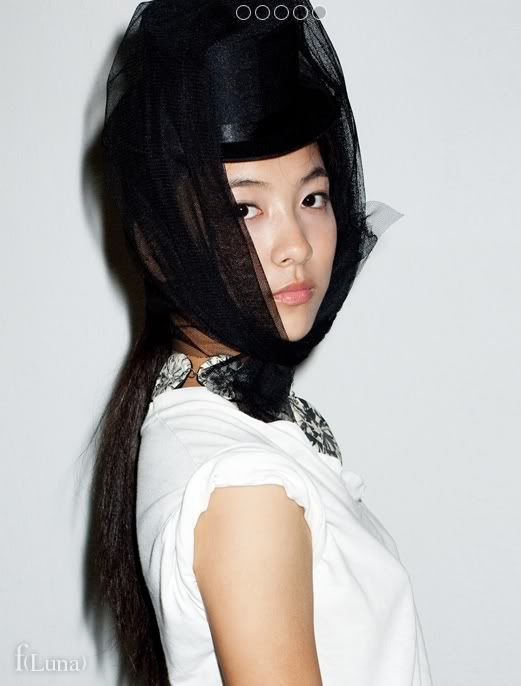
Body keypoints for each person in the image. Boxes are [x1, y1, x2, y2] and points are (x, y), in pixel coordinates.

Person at [90, 1, 434, 685]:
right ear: (161, 242)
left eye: (312, 198)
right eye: (244, 207)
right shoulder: (245, 484)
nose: (295, 245)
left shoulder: (202, 419)